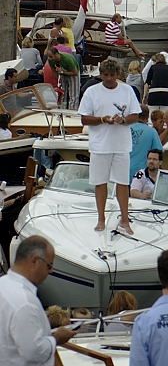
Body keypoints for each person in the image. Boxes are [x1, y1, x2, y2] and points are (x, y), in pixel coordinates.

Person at [79, 58, 141, 234]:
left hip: (121, 145)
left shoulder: (127, 90)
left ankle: (124, 219)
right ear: (101, 74)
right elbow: (84, 118)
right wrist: (102, 119)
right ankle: (101, 219)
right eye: (105, 75)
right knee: (100, 183)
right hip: (99, 145)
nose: (108, 78)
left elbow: (135, 115)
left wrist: (123, 120)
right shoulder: (91, 92)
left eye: (112, 75)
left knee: (122, 183)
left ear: (118, 75)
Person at [0, 235, 76, 365]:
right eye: (49, 265)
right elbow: (33, 352)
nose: (51, 271)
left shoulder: (3, 284)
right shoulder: (25, 302)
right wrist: (56, 338)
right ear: (35, 261)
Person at [128, 106, 164, 179]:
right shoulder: (152, 132)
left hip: (123, 172)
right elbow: (158, 152)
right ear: (147, 117)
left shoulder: (125, 129)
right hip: (141, 175)